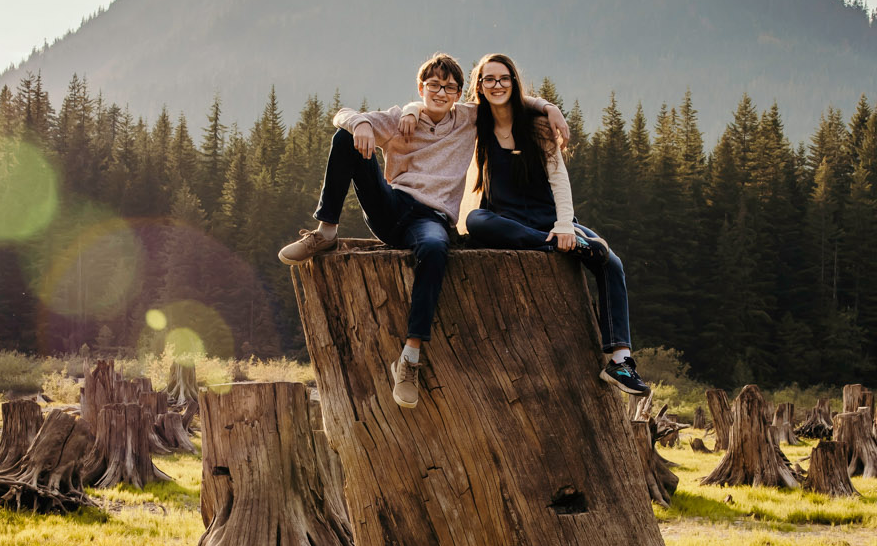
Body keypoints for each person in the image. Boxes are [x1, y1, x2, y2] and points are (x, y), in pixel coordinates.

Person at [277, 54, 568, 409]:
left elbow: (505, 98)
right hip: (392, 206)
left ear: (461, 93)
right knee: (345, 137)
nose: (441, 93)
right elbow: (341, 115)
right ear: (421, 87)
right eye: (434, 86)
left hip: (430, 220)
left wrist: (548, 107)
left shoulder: (469, 119)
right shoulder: (402, 118)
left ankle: (410, 358)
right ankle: (326, 231)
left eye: (449, 87)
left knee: (434, 250)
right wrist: (362, 124)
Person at [463, 51, 649, 394]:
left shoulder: (536, 127)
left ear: (514, 82)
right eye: (488, 79)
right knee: (475, 219)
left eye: (504, 78)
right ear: (479, 86)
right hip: (507, 220)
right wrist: (410, 113)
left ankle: (620, 362)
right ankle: (554, 245)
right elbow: (434, 110)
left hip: (549, 219)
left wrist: (564, 225)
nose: (496, 84)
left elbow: (558, 180)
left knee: (611, 263)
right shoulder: (475, 121)